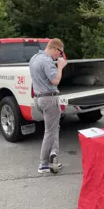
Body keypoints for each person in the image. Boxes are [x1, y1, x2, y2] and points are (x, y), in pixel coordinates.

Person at [29, 38, 67, 174]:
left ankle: (53, 155)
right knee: (50, 132)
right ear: (55, 49)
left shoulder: (34, 58)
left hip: (39, 98)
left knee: (54, 127)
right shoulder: (47, 61)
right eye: (60, 53)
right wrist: (60, 67)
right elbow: (55, 80)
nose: (60, 56)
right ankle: (43, 164)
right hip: (49, 99)